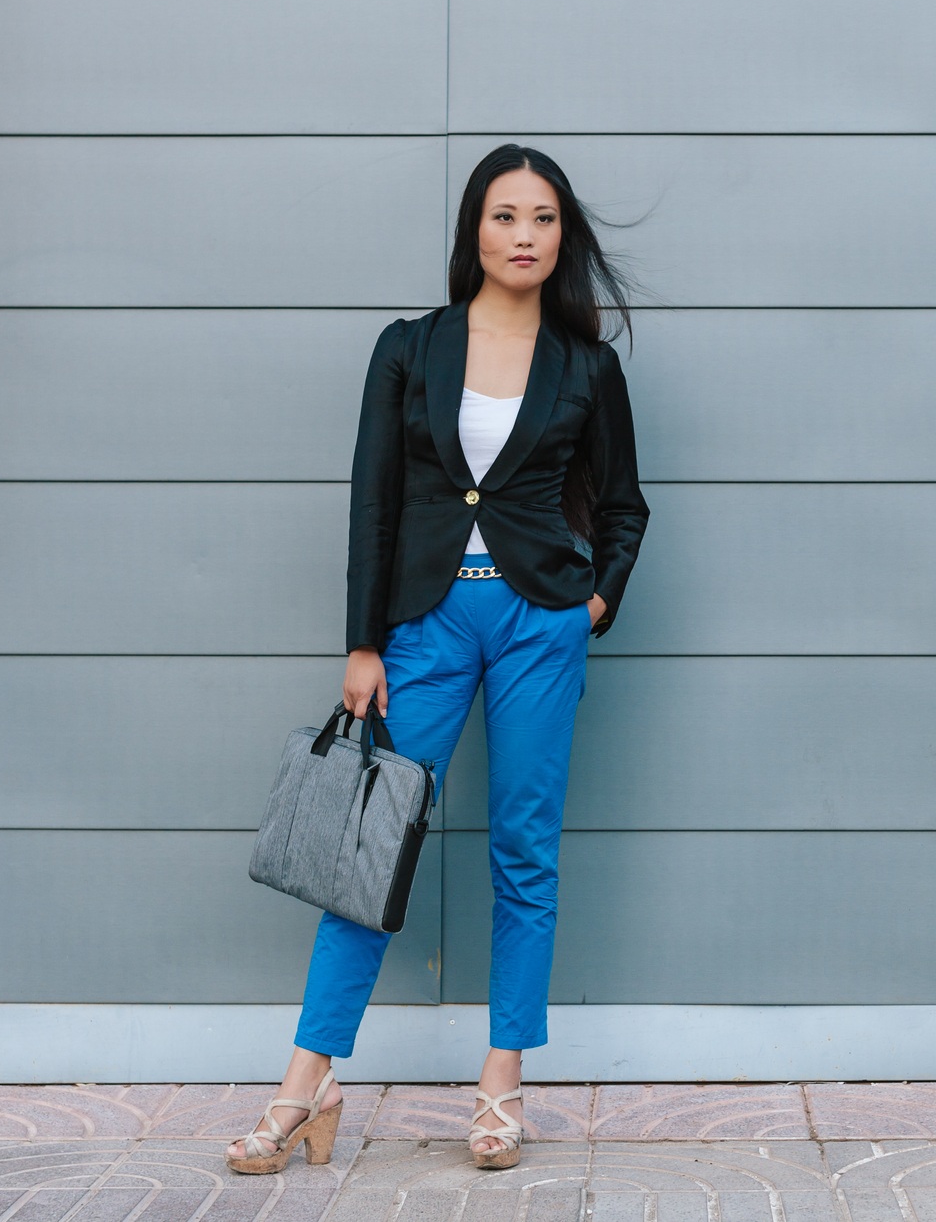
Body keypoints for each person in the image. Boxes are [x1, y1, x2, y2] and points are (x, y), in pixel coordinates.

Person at [227, 144, 649, 1174]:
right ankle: (306, 1085)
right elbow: (374, 499)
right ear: (474, 231)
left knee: (522, 848)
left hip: (537, 625)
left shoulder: (585, 366)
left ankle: (500, 1087)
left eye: (542, 218)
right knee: (364, 853)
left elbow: (625, 506)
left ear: (562, 238)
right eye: (504, 215)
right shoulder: (409, 348)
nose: (523, 235)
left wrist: (588, 603)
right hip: (425, 624)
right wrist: (363, 640)